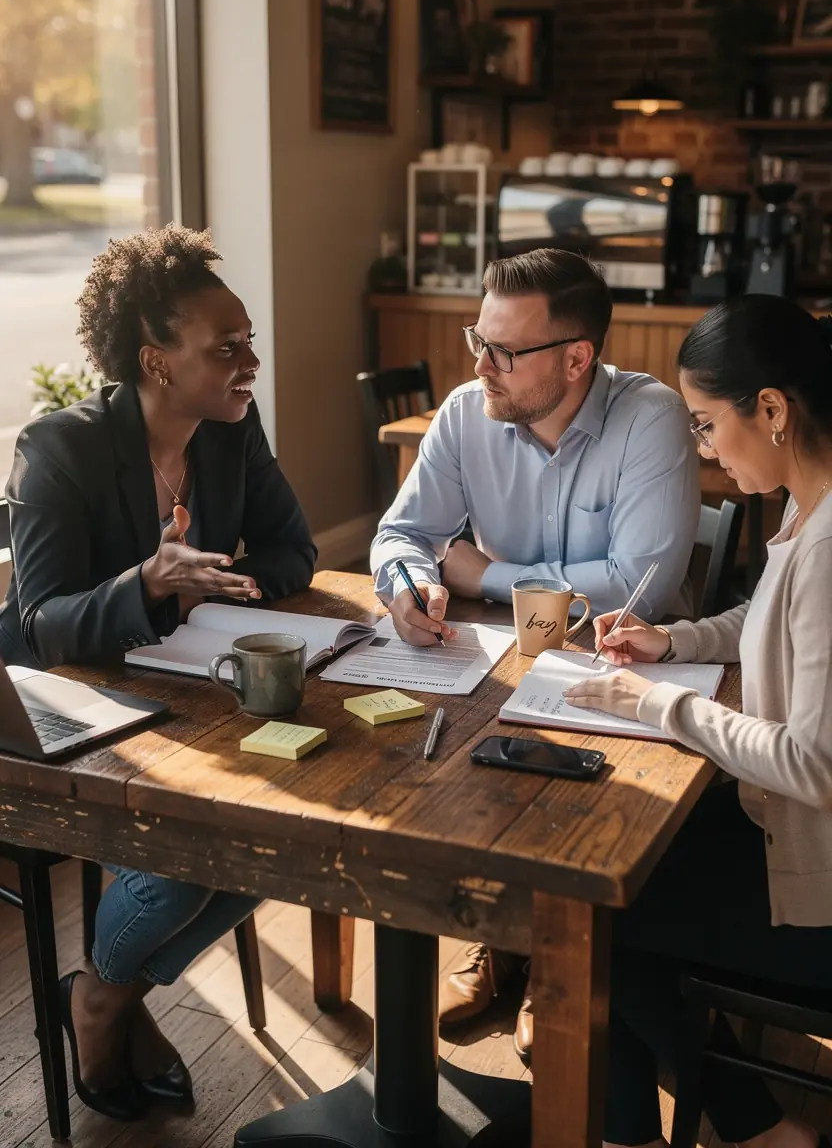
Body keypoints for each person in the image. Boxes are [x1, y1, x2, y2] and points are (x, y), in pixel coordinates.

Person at [0, 224, 316, 1120]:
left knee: (288, 826)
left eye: (249, 340)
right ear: (156, 360)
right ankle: (101, 997)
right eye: (228, 348)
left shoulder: (229, 430)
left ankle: (103, 993)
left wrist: (212, 582)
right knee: (204, 840)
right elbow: (41, 624)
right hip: (61, 710)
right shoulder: (59, 449)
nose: (250, 361)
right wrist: (145, 584)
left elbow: (293, 545)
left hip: (181, 692)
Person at [370, 248, 700, 1056]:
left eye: (503, 352)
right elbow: (402, 534)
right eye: (476, 340)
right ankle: (505, 940)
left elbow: (636, 589)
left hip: (631, 667)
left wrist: (491, 572)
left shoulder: (651, 416)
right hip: (495, 660)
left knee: (582, 814)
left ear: (578, 356)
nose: (480, 364)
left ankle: (553, 964)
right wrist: (412, 584)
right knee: (439, 772)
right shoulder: (462, 413)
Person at [564, 294, 832, 1148]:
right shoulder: (809, 501)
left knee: (598, 912)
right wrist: (670, 638)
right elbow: (763, 615)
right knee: (612, 857)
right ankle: (635, 1128)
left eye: (708, 425)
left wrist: (659, 703)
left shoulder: (828, 547)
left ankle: (751, 1129)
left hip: (819, 885)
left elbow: (812, 764)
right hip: (788, 832)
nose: (704, 449)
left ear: (774, 410)